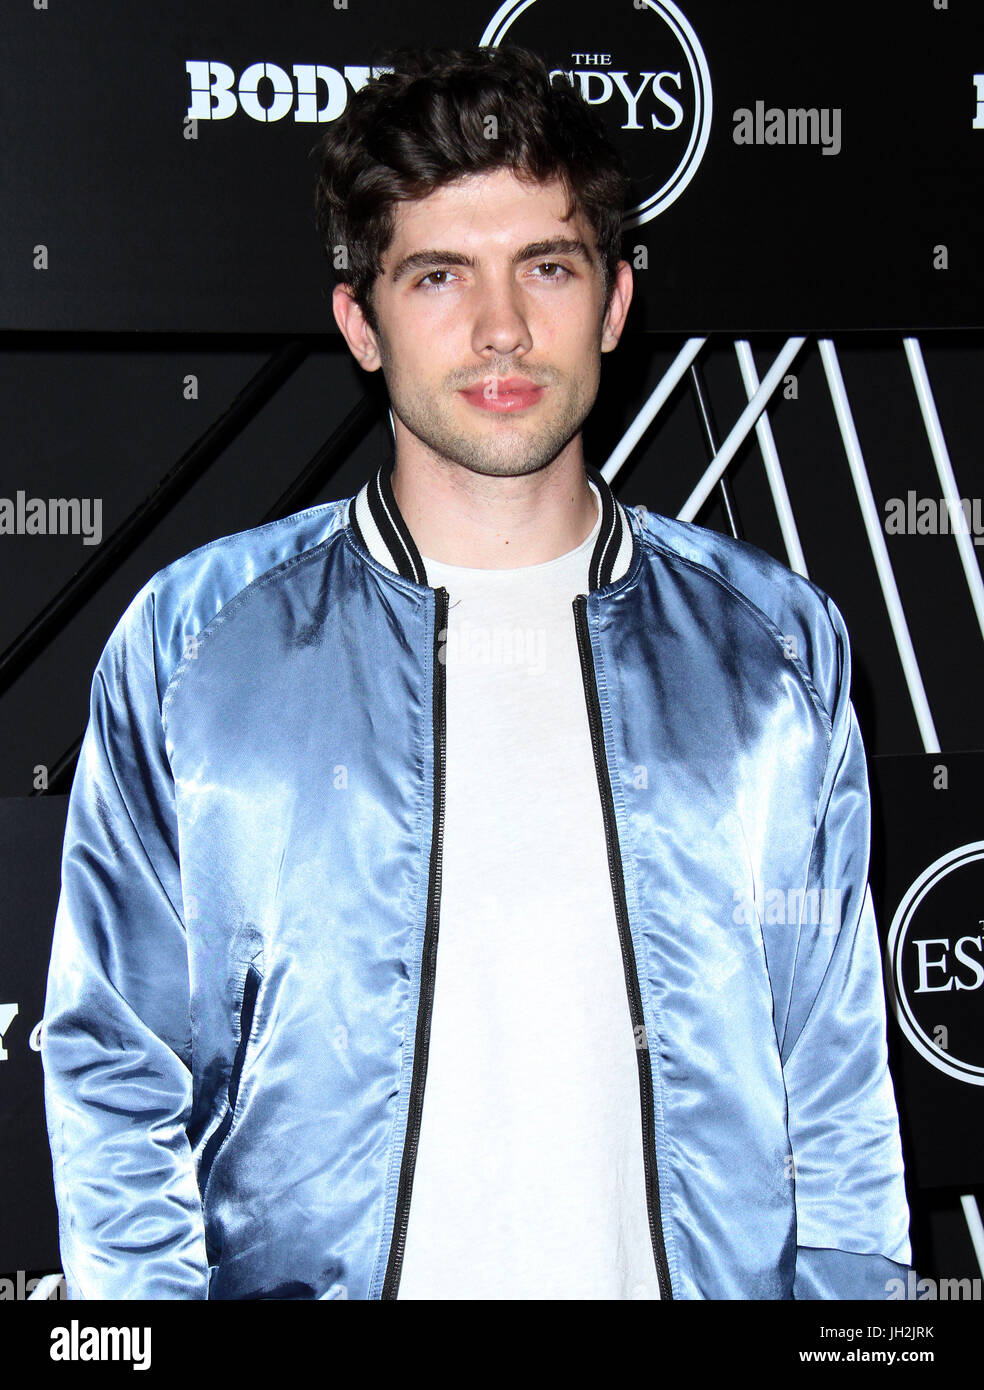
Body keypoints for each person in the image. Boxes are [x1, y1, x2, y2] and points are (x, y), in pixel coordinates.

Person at [40, 45, 911, 1300]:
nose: (502, 328)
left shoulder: (774, 648)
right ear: (361, 321)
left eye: (547, 266)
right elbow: (118, 1071)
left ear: (613, 302)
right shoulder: (193, 642)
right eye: (440, 275)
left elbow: (833, 1091)